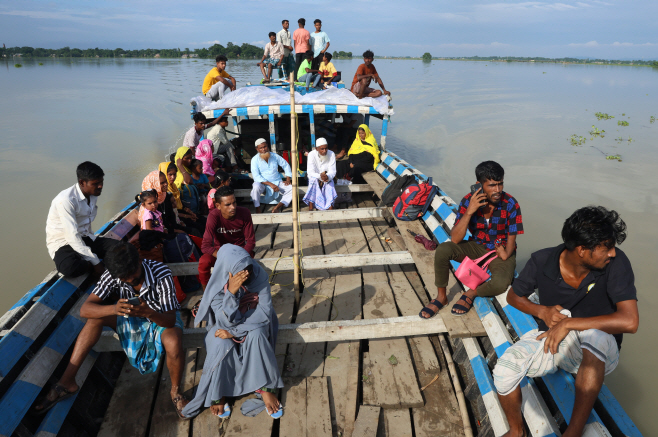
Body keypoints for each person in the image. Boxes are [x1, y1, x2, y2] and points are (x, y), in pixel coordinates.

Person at [493, 206, 638, 437]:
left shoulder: (616, 263)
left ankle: (573, 432)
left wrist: (568, 323)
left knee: (596, 338)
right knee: (503, 371)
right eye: (606, 247)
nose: (612, 253)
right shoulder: (542, 260)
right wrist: (542, 311)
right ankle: (516, 430)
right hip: (553, 342)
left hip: (598, 355)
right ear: (582, 250)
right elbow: (513, 296)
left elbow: (630, 322)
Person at [34, 243, 189, 417]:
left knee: (174, 340)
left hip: (160, 317)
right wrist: (114, 309)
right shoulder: (112, 275)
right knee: (94, 320)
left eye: (134, 278)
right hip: (131, 317)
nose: (131, 282)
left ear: (139, 260)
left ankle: (175, 392)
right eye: (125, 280)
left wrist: (149, 312)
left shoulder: (161, 273)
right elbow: (85, 309)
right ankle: (67, 382)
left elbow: (169, 319)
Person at [182, 244, 283, 419]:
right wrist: (232, 292)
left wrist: (236, 331)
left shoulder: (258, 274)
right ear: (227, 271)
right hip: (222, 327)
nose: (246, 276)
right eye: (240, 273)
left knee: (257, 334)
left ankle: (265, 388)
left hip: (254, 321)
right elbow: (222, 321)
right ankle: (220, 390)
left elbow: (264, 313)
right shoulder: (216, 287)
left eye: (248, 271)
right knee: (221, 343)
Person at [420, 161, 523, 319]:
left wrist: (505, 254)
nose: (498, 190)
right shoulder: (469, 201)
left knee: (501, 284)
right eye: (492, 185)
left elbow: (511, 239)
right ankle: (441, 297)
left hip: (500, 250)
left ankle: (472, 292)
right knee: (443, 250)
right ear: (479, 185)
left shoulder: (510, 204)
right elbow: (455, 239)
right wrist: (469, 212)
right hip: (477, 245)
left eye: (500, 184)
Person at [46, 161, 119, 278]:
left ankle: (91, 262)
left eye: (101, 182)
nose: (100, 186)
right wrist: (96, 263)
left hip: (85, 237)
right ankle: (91, 266)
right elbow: (71, 236)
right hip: (63, 242)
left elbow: (86, 225)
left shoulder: (93, 194)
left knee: (121, 249)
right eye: (95, 183)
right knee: (70, 267)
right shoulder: (66, 200)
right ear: (82, 182)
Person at [198, 186, 256, 289]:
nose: (233, 207)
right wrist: (224, 257)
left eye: (234, 202)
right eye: (228, 204)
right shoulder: (213, 216)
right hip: (220, 253)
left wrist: (238, 257)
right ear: (218, 206)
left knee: (249, 267)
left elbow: (251, 242)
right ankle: (206, 293)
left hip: (240, 251)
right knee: (204, 261)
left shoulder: (245, 213)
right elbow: (205, 246)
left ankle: (247, 292)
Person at [250, 139, 293, 214]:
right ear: (257, 149)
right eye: (261, 148)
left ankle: (277, 207)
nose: (264, 149)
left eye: (265, 147)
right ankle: (257, 207)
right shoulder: (254, 159)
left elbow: (285, 165)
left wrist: (288, 179)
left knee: (291, 188)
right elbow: (256, 176)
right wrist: (270, 184)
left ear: (267, 146)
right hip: (263, 184)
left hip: (277, 182)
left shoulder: (274, 156)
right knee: (256, 187)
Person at [304, 138, 337, 211]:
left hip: (327, 177)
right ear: (317, 148)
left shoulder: (331, 154)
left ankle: (330, 207)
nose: (324, 151)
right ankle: (311, 207)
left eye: (326, 148)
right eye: (322, 149)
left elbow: (332, 171)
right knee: (313, 181)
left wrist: (327, 177)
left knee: (330, 183)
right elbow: (310, 172)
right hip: (316, 177)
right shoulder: (311, 155)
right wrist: (320, 177)